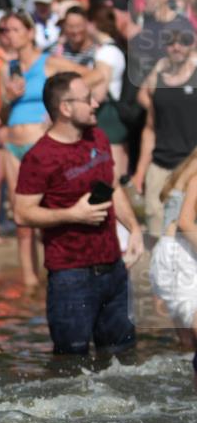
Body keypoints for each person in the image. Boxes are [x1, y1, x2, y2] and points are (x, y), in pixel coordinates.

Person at [14, 71, 144, 357]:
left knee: (124, 360)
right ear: (66, 108)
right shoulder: (40, 157)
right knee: (70, 367)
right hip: (70, 277)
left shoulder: (97, 137)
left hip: (114, 269)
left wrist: (134, 228)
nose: (96, 103)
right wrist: (73, 214)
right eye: (87, 99)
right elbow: (22, 214)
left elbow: (112, 186)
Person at [0, 9, 102, 288]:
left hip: (41, 144)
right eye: (6, 30)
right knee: (21, 221)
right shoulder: (8, 69)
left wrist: (59, 112)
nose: (10, 35)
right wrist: (8, 98)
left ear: (30, 32)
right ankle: (29, 287)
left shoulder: (49, 63)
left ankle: (58, 277)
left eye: (16, 29)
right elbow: (2, 116)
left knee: (49, 214)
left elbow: (93, 77)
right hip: (13, 147)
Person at [135, 26, 197, 237]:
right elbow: (150, 129)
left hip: (191, 169)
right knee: (156, 233)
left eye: (183, 41)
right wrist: (140, 172)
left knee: (187, 232)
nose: (176, 47)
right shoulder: (156, 80)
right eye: (171, 42)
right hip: (159, 167)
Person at [148, 147, 197, 390]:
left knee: (187, 342)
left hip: (169, 254)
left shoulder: (185, 171)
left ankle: (183, 392)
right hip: (181, 257)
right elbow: (185, 223)